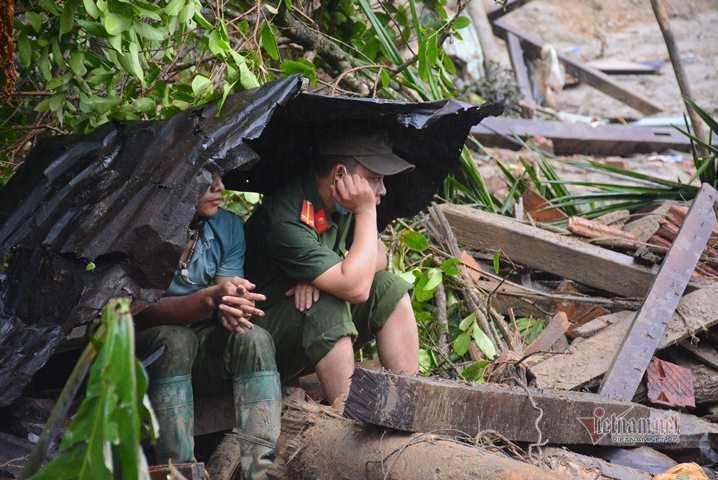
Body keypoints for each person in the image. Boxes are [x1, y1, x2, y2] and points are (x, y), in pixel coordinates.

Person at [244, 132, 420, 404]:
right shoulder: (285, 216)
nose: (382, 190)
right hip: (256, 340)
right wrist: (366, 211)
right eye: (375, 179)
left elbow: (380, 257)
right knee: (329, 299)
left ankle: (408, 403)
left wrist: (323, 275)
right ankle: (348, 413)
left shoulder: (338, 204)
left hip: (301, 332)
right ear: (340, 175)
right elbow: (357, 288)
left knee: (389, 286)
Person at [135, 172, 280, 480]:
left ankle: (259, 469)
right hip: (137, 347)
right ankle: (176, 470)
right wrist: (210, 299)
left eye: (220, 177)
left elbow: (226, 289)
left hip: (199, 335)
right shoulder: (141, 223)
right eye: (205, 178)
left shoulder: (226, 226)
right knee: (175, 341)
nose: (219, 188)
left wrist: (232, 305)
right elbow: (141, 312)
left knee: (254, 338)